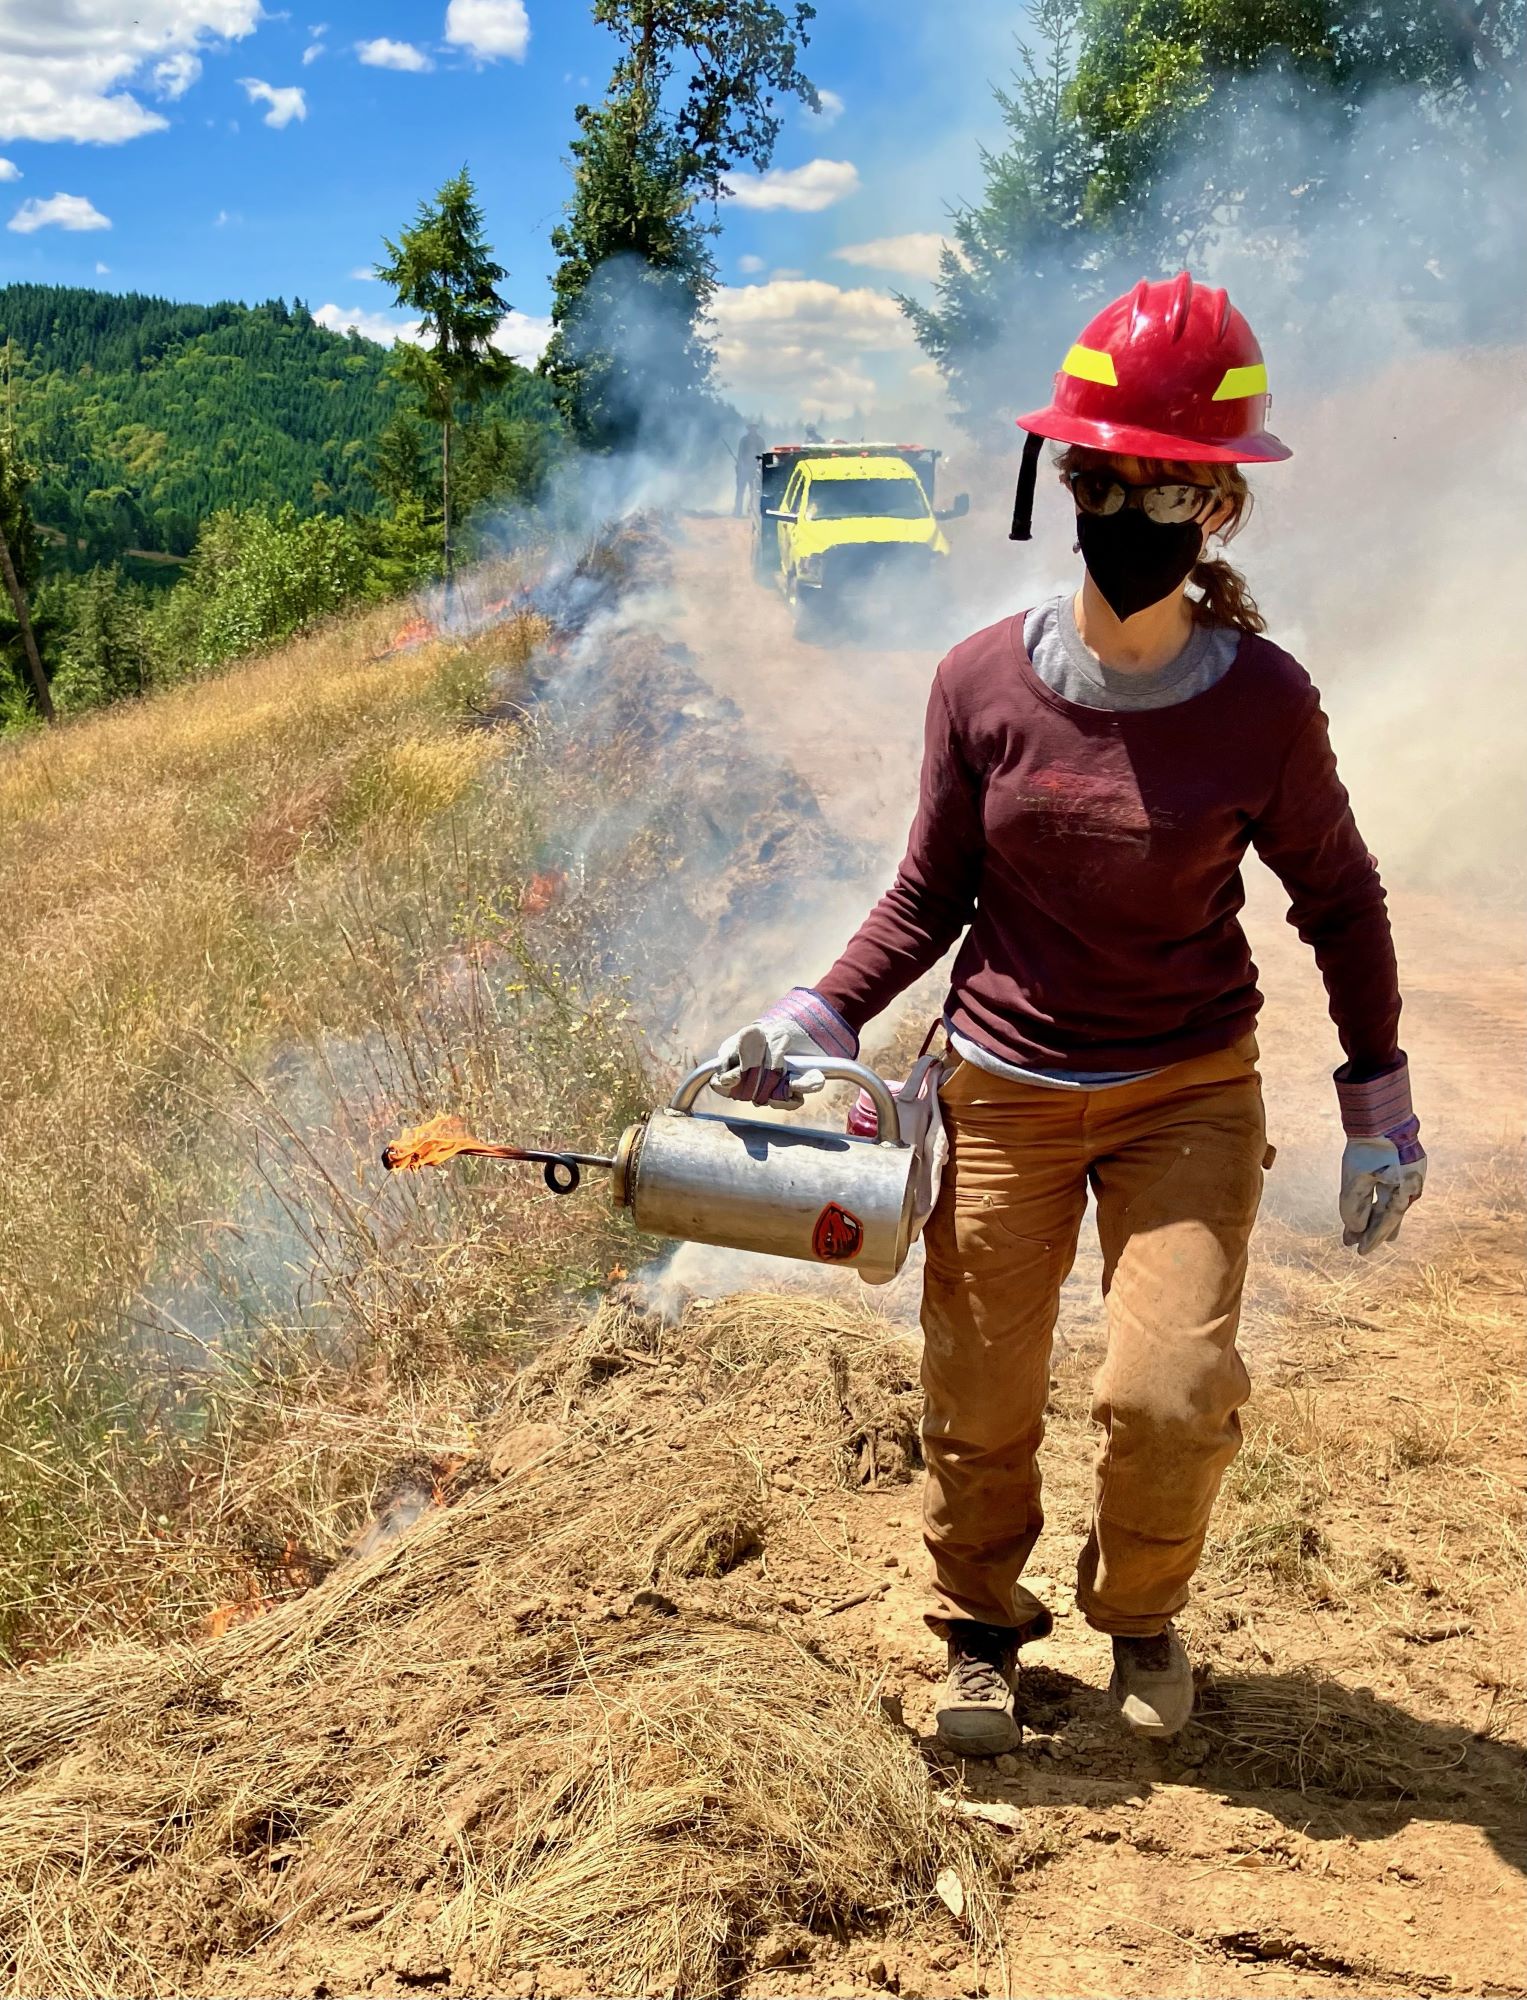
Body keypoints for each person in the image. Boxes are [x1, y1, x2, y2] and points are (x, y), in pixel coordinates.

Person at [708, 273, 1426, 1755]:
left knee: (1168, 1398)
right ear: (1065, 479)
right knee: (977, 1392)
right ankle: (978, 1627)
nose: (1131, 512)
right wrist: (809, 1018)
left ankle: (1140, 1614)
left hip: (1184, 1093)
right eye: (1108, 479)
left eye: (1169, 488)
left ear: (1214, 510)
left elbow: (1339, 903)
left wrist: (1377, 1106)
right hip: (1002, 1086)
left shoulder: (1263, 706)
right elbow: (923, 899)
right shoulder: (979, 683)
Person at [734, 419, 765, 517]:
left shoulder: (760, 440)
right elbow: (740, 455)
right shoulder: (743, 440)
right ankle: (737, 511)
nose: (753, 429)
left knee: (754, 492)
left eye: (754, 428)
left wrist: (759, 467)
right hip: (744, 469)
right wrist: (740, 466)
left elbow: (762, 454)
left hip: (755, 469)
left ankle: (752, 512)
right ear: (749, 429)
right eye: (751, 428)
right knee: (740, 491)